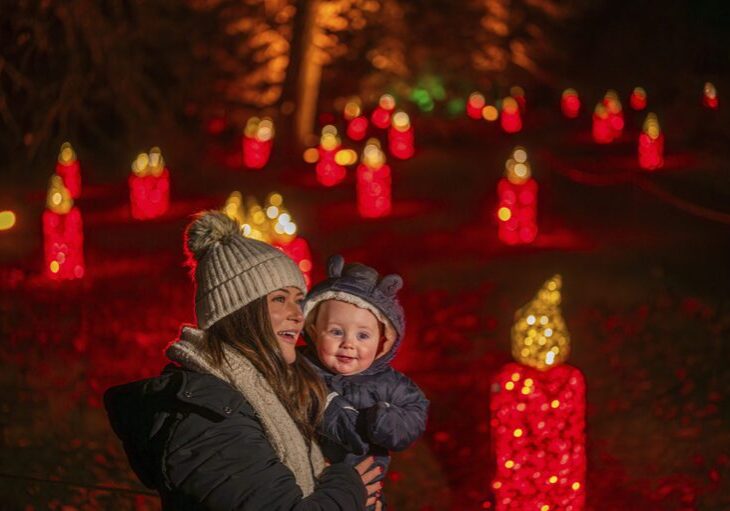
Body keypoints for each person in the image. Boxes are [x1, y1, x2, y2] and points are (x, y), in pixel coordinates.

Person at [104, 211, 382, 510]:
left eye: (298, 299)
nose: (298, 314)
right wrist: (348, 488)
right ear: (239, 312)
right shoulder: (206, 416)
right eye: (279, 299)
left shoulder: (266, 389)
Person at [301, 255, 429, 510]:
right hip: (306, 483)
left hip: (363, 490)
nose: (349, 343)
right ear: (314, 331)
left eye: (363, 335)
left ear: (383, 341)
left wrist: (385, 420)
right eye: (336, 332)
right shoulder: (299, 369)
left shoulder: (388, 383)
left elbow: (415, 412)